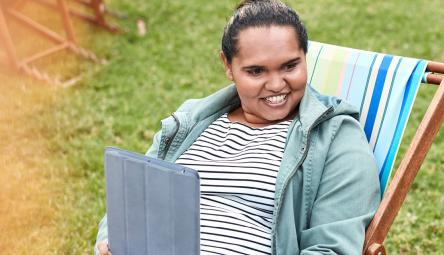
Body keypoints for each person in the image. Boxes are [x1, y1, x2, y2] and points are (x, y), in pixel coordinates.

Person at [95, 0, 380, 254]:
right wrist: (112, 243)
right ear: (228, 66)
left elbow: (331, 247)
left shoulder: (335, 137)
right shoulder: (190, 121)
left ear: (305, 57)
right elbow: (131, 200)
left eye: (290, 66)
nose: (276, 84)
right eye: (256, 71)